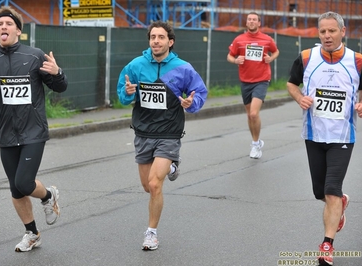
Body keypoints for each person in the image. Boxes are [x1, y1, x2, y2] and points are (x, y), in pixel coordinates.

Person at [0, 6, 67, 252]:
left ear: (18, 31)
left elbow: (60, 86)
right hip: (7, 134)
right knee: (15, 188)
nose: (3, 27)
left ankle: (48, 196)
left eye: (8, 24)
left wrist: (58, 72)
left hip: (33, 132)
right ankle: (32, 233)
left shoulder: (35, 56)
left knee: (23, 182)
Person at [117, 21, 208, 250]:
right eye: (152, 37)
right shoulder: (135, 66)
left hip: (169, 131)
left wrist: (191, 102)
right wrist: (128, 93)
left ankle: (151, 233)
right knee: (147, 186)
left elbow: (200, 92)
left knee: (155, 185)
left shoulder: (183, 68)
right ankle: (172, 167)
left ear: (170, 41)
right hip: (143, 131)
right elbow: (122, 94)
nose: (156, 41)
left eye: (160, 37)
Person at [287, 11, 362, 266]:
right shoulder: (307, 57)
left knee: (331, 189)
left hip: (342, 136)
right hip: (313, 134)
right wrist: (300, 98)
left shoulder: (357, 60)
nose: (327, 36)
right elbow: (291, 84)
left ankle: (327, 245)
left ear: (343, 32)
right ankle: (340, 203)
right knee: (320, 191)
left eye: (332, 31)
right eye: (323, 32)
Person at [227, 12, 280, 159]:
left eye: (254, 20)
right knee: (249, 116)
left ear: (259, 23)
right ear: (246, 23)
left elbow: (276, 51)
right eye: (249, 19)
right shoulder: (239, 40)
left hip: (262, 79)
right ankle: (255, 141)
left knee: (253, 113)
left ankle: (256, 144)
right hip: (245, 80)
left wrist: (270, 58)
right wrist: (235, 60)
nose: (251, 21)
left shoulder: (266, 39)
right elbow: (230, 55)